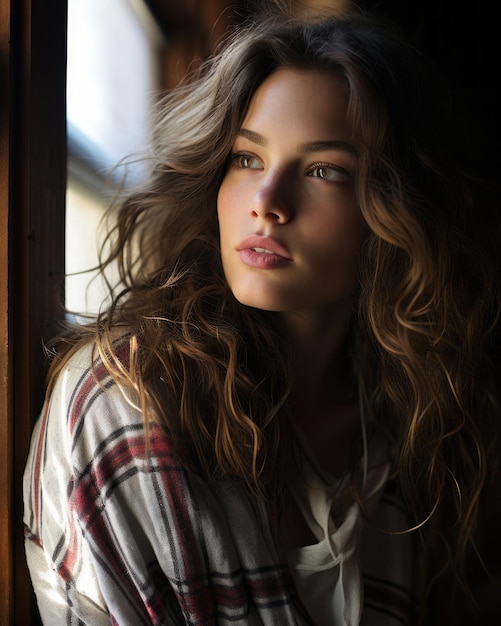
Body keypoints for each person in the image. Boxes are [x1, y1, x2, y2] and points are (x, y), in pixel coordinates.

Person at [23, 7, 501, 625]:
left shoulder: (404, 434)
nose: (268, 202)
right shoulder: (132, 397)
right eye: (248, 158)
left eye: (324, 170)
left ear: (396, 212)